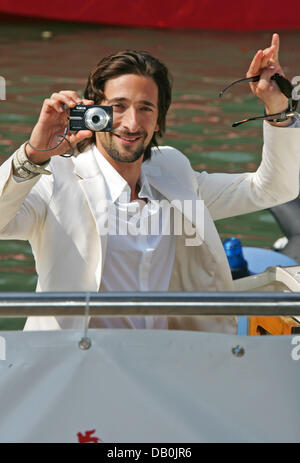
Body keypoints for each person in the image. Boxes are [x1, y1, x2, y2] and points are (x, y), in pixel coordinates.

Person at [0, 33, 299, 333]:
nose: (131, 123)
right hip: (75, 368)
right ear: (93, 112)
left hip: (161, 363)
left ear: (158, 120)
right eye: (118, 106)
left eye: (145, 108)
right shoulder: (56, 178)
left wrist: (277, 107)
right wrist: (33, 154)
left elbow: (272, 189)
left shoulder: (172, 170)